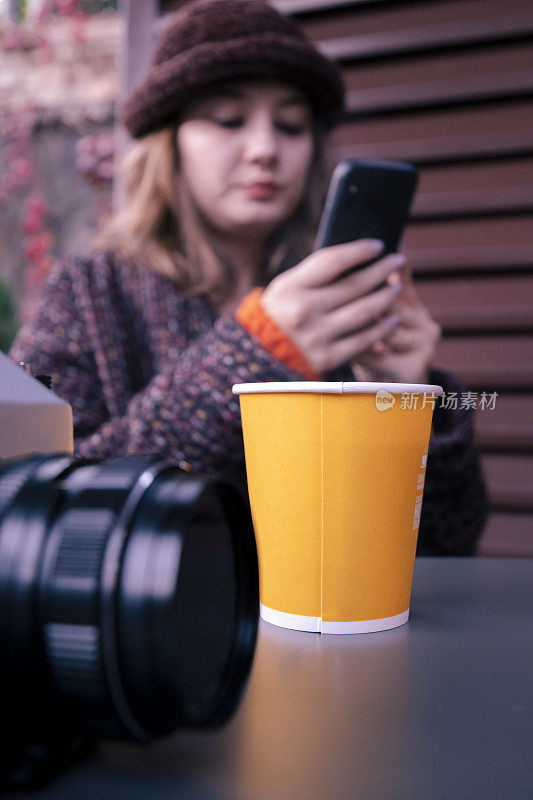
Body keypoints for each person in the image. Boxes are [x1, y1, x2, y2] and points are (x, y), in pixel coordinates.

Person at [10, 0, 487, 555]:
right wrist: (256, 352)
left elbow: (450, 540)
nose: (264, 150)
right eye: (228, 120)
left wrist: (410, 400)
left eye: (290, 125)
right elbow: (37, 500)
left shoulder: (342, 308)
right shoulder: (87, 294)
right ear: (170, 144)